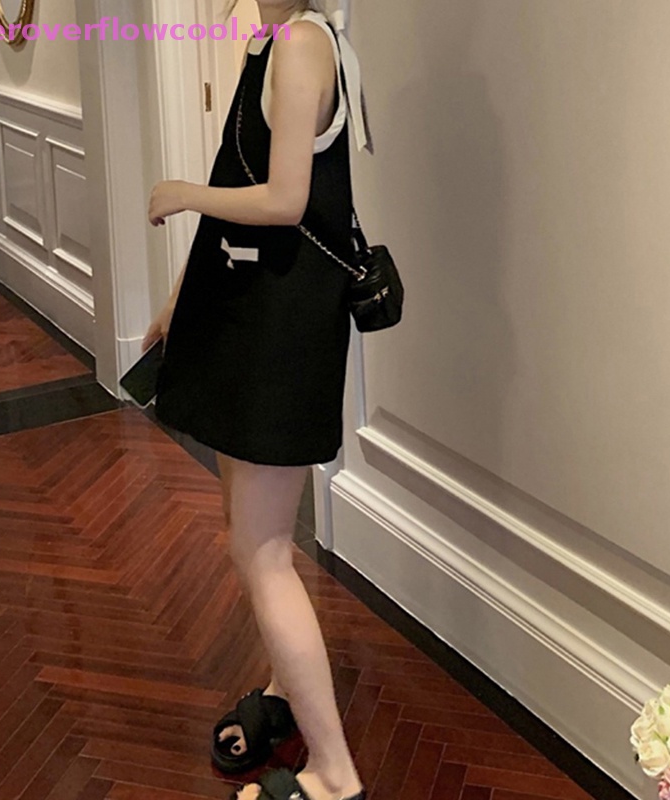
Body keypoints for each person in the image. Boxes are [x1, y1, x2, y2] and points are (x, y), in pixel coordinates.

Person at [144, 2, 370, 798]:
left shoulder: (302, 42)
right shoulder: (270, 40)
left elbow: (284, 201)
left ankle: (336, 776)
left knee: (263, 549)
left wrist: (185, 193)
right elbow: (247, 175)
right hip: (249, 317)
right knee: (252, 541)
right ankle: (285, 695)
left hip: (279, 330)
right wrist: (181, 297)